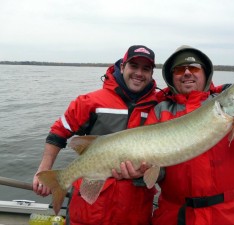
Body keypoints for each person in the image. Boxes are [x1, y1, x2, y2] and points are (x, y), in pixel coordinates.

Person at [114, 45, 234, 225]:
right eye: (180, 69)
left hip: (230, 216)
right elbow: (158, 170)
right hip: (176, 216)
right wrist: (139, 173)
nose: (187, 73)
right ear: (171, 77)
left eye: (194, 68)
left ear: (205, 73)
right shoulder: (160, 111)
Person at [33, 45, 158, 225]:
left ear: (152, 73)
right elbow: (58, 132)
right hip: (90, 211)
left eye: (145, 69)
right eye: (134, 66)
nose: (139, 73)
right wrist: (43, 170)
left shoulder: (159, 106)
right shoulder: (91, 102)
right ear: (122, 67)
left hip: (134, 212)